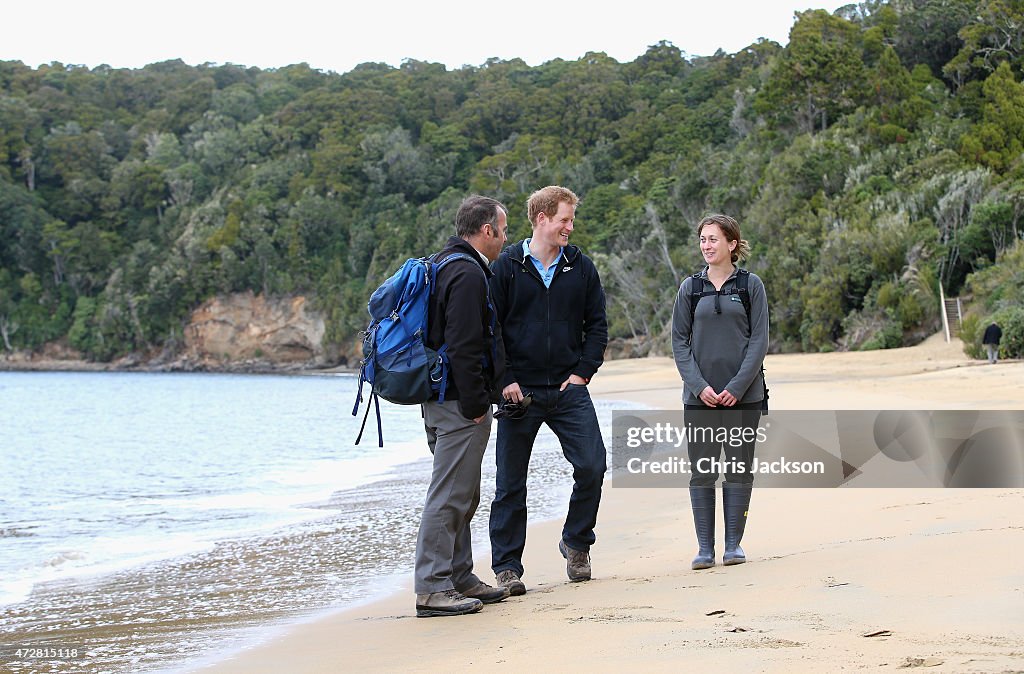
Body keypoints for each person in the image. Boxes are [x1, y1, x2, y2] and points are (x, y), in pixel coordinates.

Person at [488, 185, 609, 594]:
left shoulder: (581, 266)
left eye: (570, 220)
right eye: (564, 219)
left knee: (593, 465)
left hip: (567, 388)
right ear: (542, 219)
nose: (569, 227)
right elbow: (493, 331)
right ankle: (507, 568)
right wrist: (505, 379)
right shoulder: (505, 267)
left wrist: (583, 373)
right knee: (511, 483)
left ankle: (576, 543)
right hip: (518, 393)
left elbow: (597, 326)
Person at [414, 195, 511, 617]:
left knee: (463, 493)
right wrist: (476, 403)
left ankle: (460, 575)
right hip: (457, 402)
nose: (505, 238)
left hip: (438, 399)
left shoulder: (443, 263)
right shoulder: (467, 274)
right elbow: (466, 344)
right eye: (503, 230)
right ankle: (433, 587)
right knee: (450, 496)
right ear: (486, 230)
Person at [671, 214, 769, 570]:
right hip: (699, 400)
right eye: (703, 239)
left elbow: (759, 341)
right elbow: (679, 344)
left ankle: (733, 546)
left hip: (745, 396)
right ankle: (704, 549)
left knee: (740, 469)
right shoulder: (689, 288)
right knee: (702, 471)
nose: (707, 245)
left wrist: (735, 388)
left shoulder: (751, 286)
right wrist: (701, 388)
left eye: (714, 239)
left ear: (732, 244)